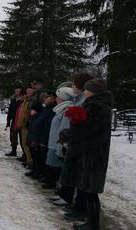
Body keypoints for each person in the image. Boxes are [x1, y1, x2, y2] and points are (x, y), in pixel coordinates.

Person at [61, 79, 113, 230]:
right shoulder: (93, 104)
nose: (84, 92)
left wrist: (69, 133)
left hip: (93, 154)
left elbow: (87, 128)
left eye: (87, 90)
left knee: (91, 190)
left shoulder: (98, 106)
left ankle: (93, 224)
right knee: (85, 187)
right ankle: (84, 214)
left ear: (94, 91)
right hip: (87, 152)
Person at [58, 74, 94, 219]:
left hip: (82, 146)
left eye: (74, 84)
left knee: (82, 181)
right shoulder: (78, 100)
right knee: (75, 176)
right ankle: (76, 205)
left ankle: (81, 209)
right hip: (75, 143)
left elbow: (83, 125)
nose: (72, 87)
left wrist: (68, 136)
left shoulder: (86, 102)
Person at [44, 87, 75, 191]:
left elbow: (64, 128)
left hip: (58, 144)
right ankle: (55, 185)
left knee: (57, 167)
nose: (56, 99)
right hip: (53, 142)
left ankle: (59, 187)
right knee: (52, 165)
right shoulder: (60, 109)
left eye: (58, 97)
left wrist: (61, 145)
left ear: (63, 98)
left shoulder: (66, 110)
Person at [26, 91, 57, 180]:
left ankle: (42, 174)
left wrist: (42, 139)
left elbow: (46, 125)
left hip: (41, 137)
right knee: (35, 155)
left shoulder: (51, 110)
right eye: (46, 97)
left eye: (48, 97)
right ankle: (36, 170)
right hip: (36, 135)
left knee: (41, 158)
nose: (46, 99)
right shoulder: (46, 109)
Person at [6, 86, 23, 156]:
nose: (16, 92)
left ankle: (24, 154)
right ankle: (13, 150)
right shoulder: (13, 100)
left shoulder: (23, 100)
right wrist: (8, 121)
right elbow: (10, 111)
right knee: (13, 136)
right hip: (14, 121)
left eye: (18, 91)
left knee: (22, 138)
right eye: (15, 91)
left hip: (21, 121)